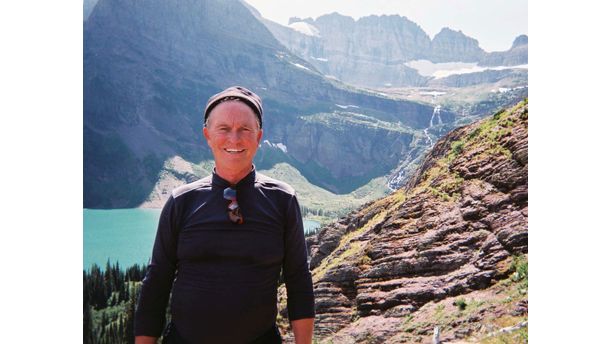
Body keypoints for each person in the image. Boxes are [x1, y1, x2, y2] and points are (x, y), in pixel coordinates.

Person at [134, 86, 315, 343]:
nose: (234, 139)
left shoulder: (282, 199)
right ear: (208, 135)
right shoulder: (182, 201)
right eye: (224, 129)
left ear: (259, 136)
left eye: (244, 129)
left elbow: (298, 278)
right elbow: (156, 283)